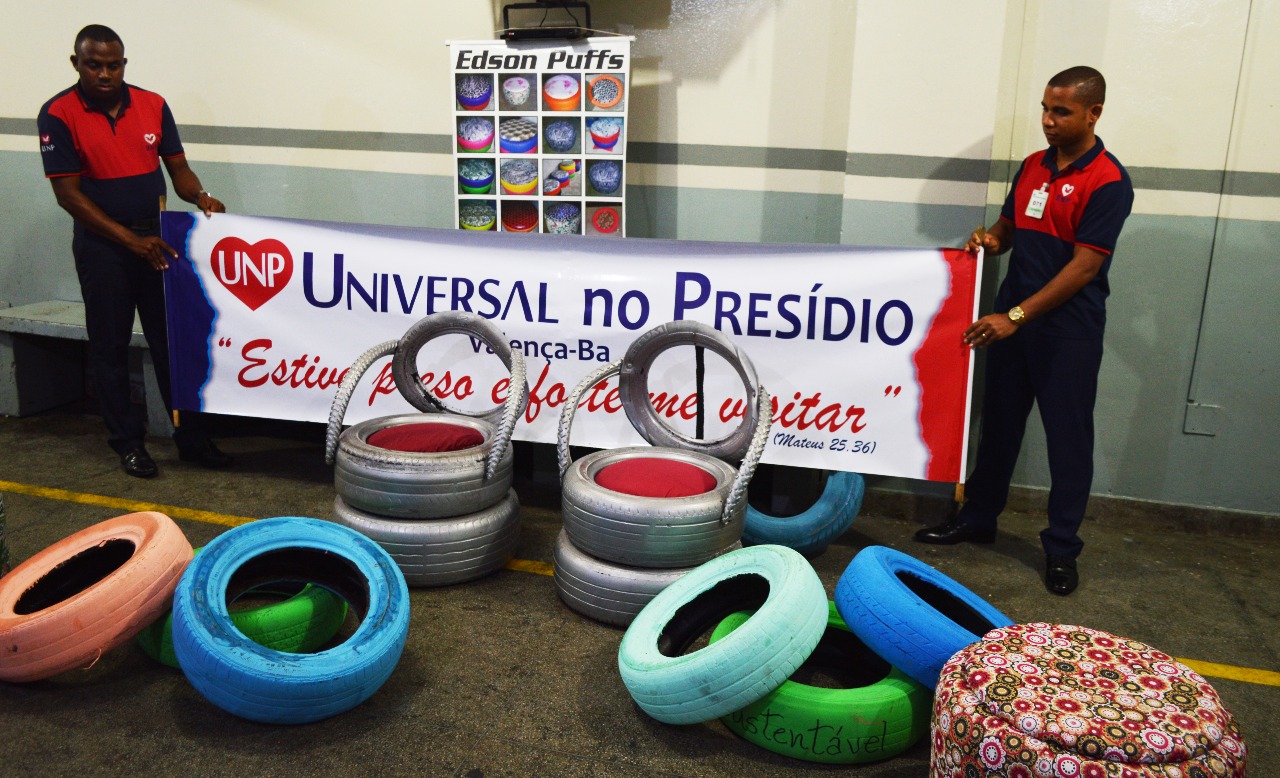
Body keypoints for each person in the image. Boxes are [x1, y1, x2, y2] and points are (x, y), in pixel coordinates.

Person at [914, 66, 1133, 596]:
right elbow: (1010, 228)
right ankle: (978, 519)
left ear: (1093, 113)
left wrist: (1013, 317)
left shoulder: (1107, 181)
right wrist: (988, 240)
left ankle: (1061, 548)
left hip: (1066, 334)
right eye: (1045, 108)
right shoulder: (1034, 165)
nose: (1048, 121)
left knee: (1068, 442)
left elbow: (1084, 268)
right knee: (1000, 428)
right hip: (1011, 326)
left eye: (1061, 111)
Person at [38, 24, 233, 478]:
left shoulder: (153, 104)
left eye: (113, 65)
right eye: (94, 65)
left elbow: (178, 169)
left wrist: (200, 196)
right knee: (110, 346)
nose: (105, 74)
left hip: (157, 241)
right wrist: (129, 241)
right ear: (76, 64)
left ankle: (192, 438)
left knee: (174, 344)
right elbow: (68, 196)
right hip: (105, 248)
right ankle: (128, 443)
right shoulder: (58, 114)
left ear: (124, 64)